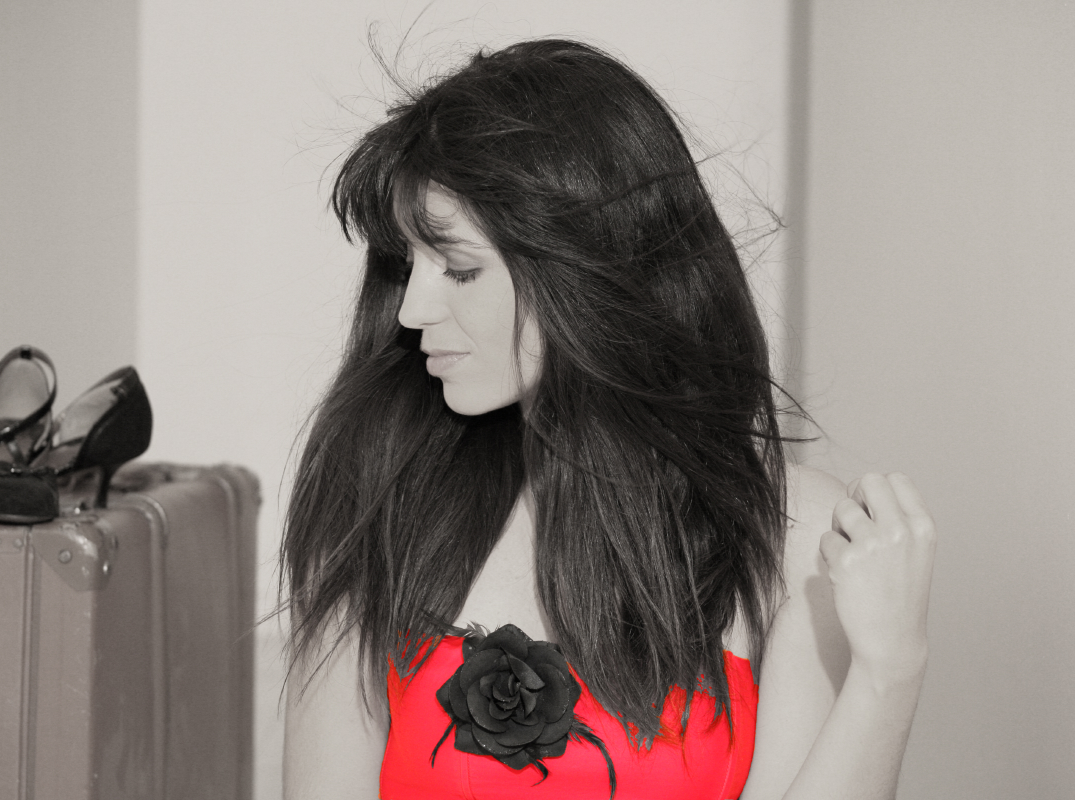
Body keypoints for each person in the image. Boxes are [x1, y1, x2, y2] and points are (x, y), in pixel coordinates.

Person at [281, 39, 935, 800]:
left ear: (590, 263)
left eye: (459, 268)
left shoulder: (796, 535)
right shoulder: (383, 498)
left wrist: (891, 673)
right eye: (406, 265)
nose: (412, 310)